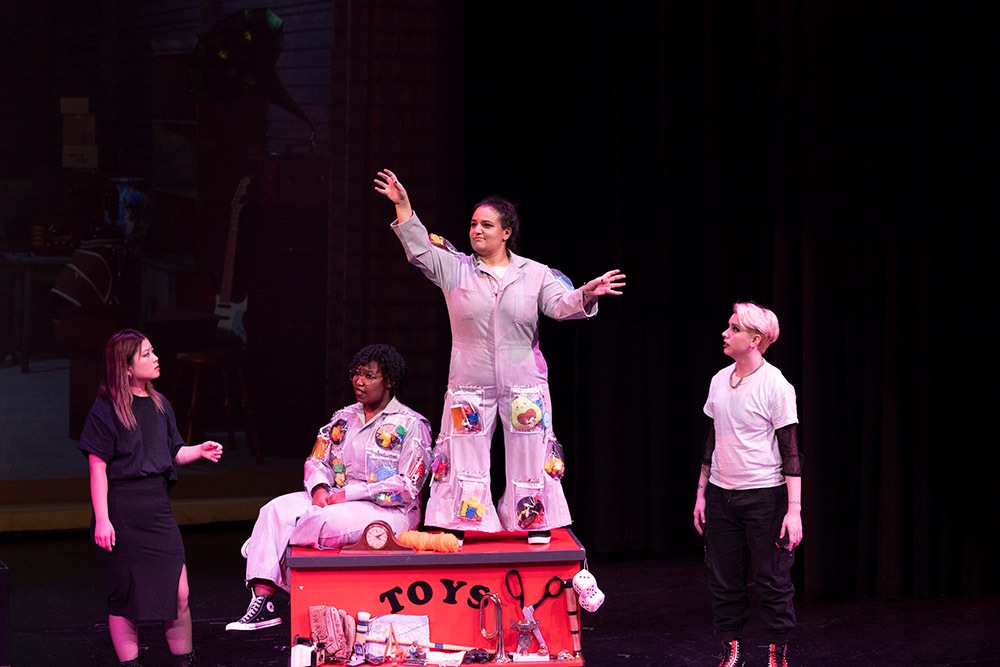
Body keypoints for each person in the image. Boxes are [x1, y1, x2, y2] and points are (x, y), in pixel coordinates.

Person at [373, 168, 625, 544]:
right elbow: (420, 249)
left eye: (486, 225)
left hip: (524, 383)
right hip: (469, 382)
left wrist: (586, 293)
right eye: (473, 224)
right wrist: (403, 205)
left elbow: (561, 305)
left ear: (506, 232)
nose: (477, 230)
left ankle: (533, 519)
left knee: (530, 450)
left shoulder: (535, 274)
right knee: (463, 450)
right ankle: (462, 519)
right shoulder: (455, 269)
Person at [226, 343, 432, 631]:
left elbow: (409, 485)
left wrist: (350, 494)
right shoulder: (343, 417)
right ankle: (264, 603)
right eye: (356, 373)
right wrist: (319, 489)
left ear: (389, 381)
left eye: (369, 376)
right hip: (336, 497)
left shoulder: (411, 424)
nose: (359, 381)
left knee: (319, 519)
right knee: (273, 510)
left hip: (388, 510)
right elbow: (316, 459)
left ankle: (265, 545)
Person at [79, 329, 224, 667]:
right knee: (126, 597)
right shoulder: (106, 410)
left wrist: (198, 450)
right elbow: (97, 469)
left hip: (157, 509)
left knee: (179, 593)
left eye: (153, 351)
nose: (155, 358)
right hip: (122, 512)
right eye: (146, 354)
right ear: (126, 366)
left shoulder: (160, 404)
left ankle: (184, 661)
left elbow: (172, 453)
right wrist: (103, 520)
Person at [692, 302, 803, 667]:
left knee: (772, 579)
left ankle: (777, 654)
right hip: (722, 495)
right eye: (729, 327)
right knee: (724, 579)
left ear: (755, 340)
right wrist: (702, 493)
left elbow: (791, 452)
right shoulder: (718, 380)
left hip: (764, 497)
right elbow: (712, 440)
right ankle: (732, 651)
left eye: (735, 329)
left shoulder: (776, 385)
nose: (726, 333)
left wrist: (794, 511)